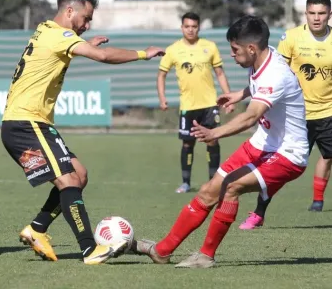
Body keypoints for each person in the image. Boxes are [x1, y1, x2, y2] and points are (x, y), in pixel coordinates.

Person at [1, 0, 165, 265]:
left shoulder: (46, 29)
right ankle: (90, 249)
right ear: (69, 12)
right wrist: (142, 54)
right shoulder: (59, 36)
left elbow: (62, 45)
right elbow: (101, 57)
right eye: (85, 18)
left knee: (79, 174)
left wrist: (82, 39)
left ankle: (37, 228)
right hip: (26, 123)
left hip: (28, 123)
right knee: (68, 181)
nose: (87, 24)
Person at [132, 15, 309, 268]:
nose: (232, 55)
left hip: (288, 155)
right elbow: (258, 86)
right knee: (207, 191)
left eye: (235, 50)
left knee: (231, 187)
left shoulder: (275, 73)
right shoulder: (261, 57)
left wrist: (215, 133)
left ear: (251, 48)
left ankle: (206, 256)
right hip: (263, 143)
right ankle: (162, 250)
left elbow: (251, 117)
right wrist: (240, 93)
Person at [240, 0, 332, 229]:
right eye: (312, 13)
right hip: (295, 116)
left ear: (329, 14)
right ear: (306, 14)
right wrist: (242, 94)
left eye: (321, 13)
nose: (316, 18)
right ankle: (259, 213)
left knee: (328, 156)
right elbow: (271, 74)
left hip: (327, 113)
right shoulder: (291, 38)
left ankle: (318, 200)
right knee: (278, 165)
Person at [158, 12, 233, 194]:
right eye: (187, 26)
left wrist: (228, 97)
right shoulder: (173, 50)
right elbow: (162, 75)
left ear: (198, 27)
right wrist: (162, 97)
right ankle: (185, 183)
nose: (190, 30)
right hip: (188, 106)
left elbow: (220, 73)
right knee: (187, 144)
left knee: (213, 141)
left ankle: (213, 183)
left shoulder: (210, 47)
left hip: (209, 104)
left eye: (194, 26)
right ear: (182, 27)